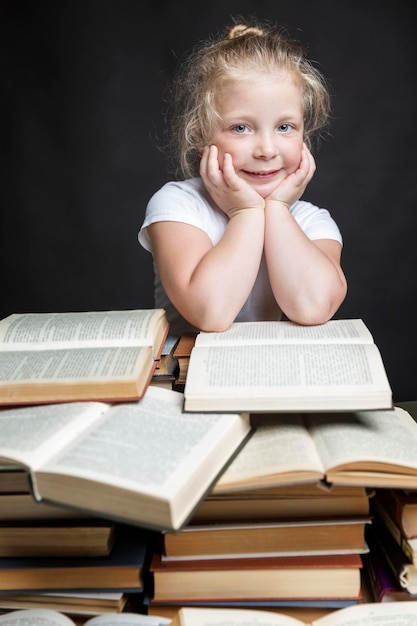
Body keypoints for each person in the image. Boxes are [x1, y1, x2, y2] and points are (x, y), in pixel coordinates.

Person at [139, 19, 347, 338]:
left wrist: (276, 209)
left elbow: (314, 307)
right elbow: (210, 312)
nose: (266, 150)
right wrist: (246, 212)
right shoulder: (178, 205)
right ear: (199, 134)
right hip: (187, 379)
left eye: (284, 127)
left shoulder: (310, 221)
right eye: (240, 128)